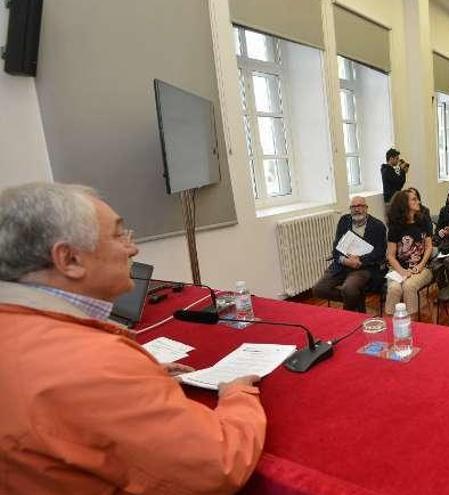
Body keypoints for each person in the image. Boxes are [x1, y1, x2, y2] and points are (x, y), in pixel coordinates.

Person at [0, 183, 265, 493]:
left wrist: (139, 379)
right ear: (69, 259)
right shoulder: (93, 365)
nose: (133, 249)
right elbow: (219, 465)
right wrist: (236, 395)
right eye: (118, 235)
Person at [312, 196, 387, 312]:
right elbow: (336, 246)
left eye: (360, 206)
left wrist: (359, 260)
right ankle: (357, 300)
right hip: (342, 264)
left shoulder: (378, 226)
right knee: (319, 289)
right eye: (354, 207)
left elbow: (380, 252)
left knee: (349, 289)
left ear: (366, 208)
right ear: (350, 209)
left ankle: (348, 317)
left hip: (363, 267)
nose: (357, 209)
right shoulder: (344, 221)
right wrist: (344, 260)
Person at [385, 190, 433, 316]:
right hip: (397, 270)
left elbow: (429, 247)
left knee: (409, 286)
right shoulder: (395, 227)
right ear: (404, 204)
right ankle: (390, 324)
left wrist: (421, 265)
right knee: (394, 289)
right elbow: (390, 255)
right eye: (414, 199)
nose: (419, 202)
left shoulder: (423, 221)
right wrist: (402, 271)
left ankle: (412, 325)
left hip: (422, 268)